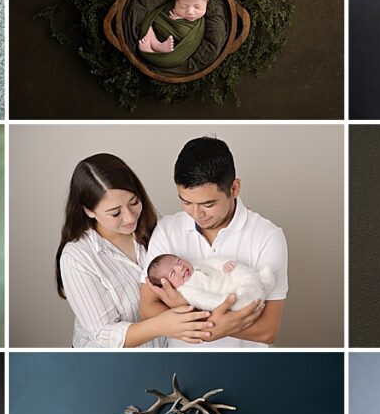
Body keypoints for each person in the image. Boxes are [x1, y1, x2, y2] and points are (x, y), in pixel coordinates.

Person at [140, 137, 288, 347]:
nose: (196, 213)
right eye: (186, 202)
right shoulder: (167, 230)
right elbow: (148, 309)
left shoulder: (267, 236)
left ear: (234, 188)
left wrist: (187, 312)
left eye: (208, 204)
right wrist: (217, 324)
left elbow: (266, 330)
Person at [55, 153, 214, 348]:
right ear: (88, 211)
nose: (130, 218)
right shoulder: (77, 257)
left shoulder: (154, 225)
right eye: (115, 213)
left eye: (133, 202)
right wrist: (161, 325)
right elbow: (102, 333)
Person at [146, 254, 274, 312]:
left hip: (230, 279)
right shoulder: (187, 291)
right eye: (173, 273)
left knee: (238, 269)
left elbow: (212, 262)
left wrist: (224, 265)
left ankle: (260, 283)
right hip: (229, 295)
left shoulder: (194, 264)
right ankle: (253, 297)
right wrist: (225, 301)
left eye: (178, 261)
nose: (180, 268)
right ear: (167, 286)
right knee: (239, 300)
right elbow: (208, 301)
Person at [137, 0, 211, 66]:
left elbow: (190, 38)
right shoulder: (170, 7)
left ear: (207, 0)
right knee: (147, 24)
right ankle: (155, 43)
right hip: (158, 33)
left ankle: (155, 49)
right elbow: (156, 15)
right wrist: (174, 19)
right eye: (183, 6)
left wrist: (178, 23)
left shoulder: (201, 22)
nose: (190, 12)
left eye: (197, 7)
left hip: (180, 43)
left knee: (183, 32)